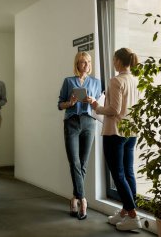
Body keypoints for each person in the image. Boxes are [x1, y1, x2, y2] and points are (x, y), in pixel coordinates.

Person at [91, 48, 142, 231]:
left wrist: (96, 106)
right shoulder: (135, 80)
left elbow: (114, 110)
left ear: (119, 61)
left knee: (118, 174)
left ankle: (133, 216)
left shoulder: (116, 80)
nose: (113, 62)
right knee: (128, 172)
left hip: (115, 132)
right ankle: (125, 212)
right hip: (131, 132)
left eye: (114, 59)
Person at [58, 51, 101, 220]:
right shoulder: (68, 81)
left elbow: (99, 105)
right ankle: (83, 200)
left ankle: (74, 198)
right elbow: (60, 104)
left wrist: (92, 101)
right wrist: (71, 102)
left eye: (88, 62)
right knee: (74, 161)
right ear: (77, 64)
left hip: (89, 123)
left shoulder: (97, 83)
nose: (86, 65)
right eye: (83, 62)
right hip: (72, 122)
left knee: (83, 163)